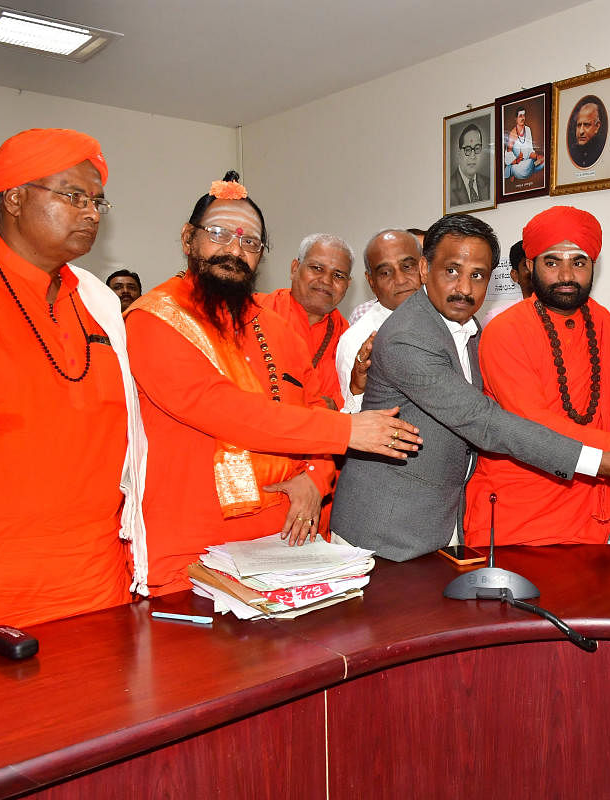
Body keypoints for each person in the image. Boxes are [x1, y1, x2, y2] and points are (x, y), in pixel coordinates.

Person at [124, 171, 422, 595]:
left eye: (249, 242)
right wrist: (348, 431)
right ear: (189, 238)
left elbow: (315, 404)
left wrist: (315, 478)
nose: (234, 250)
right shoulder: (154, 319)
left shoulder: (275, 327)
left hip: (288, 546)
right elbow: (220, 408)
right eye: (219, 234)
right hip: (193, 556)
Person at [331, 215, 610, 561]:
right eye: (451, 271)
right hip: (387, 527)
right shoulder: (408, 338)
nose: (464, 288)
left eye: (477, 275)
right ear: (423, 268)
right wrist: (603, 459)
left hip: (443, 519)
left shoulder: (467, 327)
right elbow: (484, 421)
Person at [0, 127, 146, 637]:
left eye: (97, 202)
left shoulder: (100, 302)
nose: (91, 213)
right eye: (74, 196)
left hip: (99, 581)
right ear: (16, 198)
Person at [464, 206, 610, 546]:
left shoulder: (606, 326)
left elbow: (608, 391)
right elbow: (529, 421)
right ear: (530, 266)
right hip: (518, 515)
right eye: (552, 262)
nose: (567, 275)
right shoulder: (505, 331)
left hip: (587, 510)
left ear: (593, 268)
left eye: (579, 262)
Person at [257, 233, 353, 409]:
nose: (326, 280)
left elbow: (350, 399)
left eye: (338, 275)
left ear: (348, 284)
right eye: (317, 268)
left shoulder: (350, 338)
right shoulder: (254, 311)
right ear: (295, 268)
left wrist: (336, 406)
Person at [335, 229, 423, 412]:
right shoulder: (356, 341)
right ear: (371, 282)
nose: (400, 280)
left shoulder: (452, 319)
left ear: (424, 267)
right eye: (385, 272)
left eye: (407, 267)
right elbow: (352, 420)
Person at [481, 239, 533, 326]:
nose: (535, 270)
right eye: (527, 265)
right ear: (515, 275)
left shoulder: (562, 313)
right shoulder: (495, 318)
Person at [449, 124, 489, 206]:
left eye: (477, 148)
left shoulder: (489, 184)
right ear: (459, 153)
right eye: (468, 149)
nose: (473, 156)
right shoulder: (449, 187)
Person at [504, 108, 545, 181]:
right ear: (516, 119)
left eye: (524, 115)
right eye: (520, 116)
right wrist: (517, 160)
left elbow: (530, 151)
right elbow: (507, 157)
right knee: (522, 167)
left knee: (544, 161)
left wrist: (537, 156)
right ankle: (513, 172)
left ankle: (517, 172)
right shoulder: (512, 134)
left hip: (528, 161)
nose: (523, 118)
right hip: (517, 165)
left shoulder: (528, 130)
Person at [568, 97, 607, 169]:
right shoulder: (572, 152)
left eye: (586, 125)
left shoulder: (604, 149)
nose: (581, 131)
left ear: (597, 126)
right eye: (579, 125)